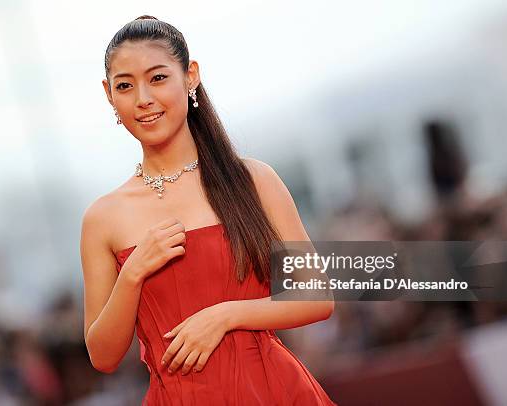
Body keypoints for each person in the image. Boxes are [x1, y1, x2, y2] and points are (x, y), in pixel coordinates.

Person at [80, 15, 337, 405]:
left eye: (158, 78)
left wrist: (225, 316)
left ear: (191, 75)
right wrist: (132, 272)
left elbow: (317, 296)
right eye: (126, 86)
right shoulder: (103, 219)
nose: (143, 98)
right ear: (109, 95)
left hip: (273, 391)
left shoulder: (252, 180)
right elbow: (103, 355)